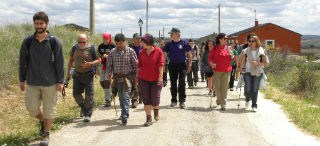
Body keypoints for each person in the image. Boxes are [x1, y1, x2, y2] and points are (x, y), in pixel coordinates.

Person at [19, 11, 64, 146]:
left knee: (50, 110)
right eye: (36, 23)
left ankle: (45, 135)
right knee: (31, 108)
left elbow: (59, 63)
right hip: (32, 81)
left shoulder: (54, 41)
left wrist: (60, 81)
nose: (38, 26)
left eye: (41, 23)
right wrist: (22, 79)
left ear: (46, 24)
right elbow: (23, 61)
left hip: (50, 82)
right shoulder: (28, 41)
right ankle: (43, 121)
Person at [66, 34, 100, 122]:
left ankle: (88, 114)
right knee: (76, 94)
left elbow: (99, 60)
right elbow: (70, 61)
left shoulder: (92, 48)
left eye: (83, 42)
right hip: (77, 75)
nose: (81, 43)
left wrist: (90, 64)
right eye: (79, 42)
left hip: (88, 74)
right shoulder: (74, 48)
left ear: (87, 41)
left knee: (89, 95)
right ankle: (84, 107)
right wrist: (68, 74)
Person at [107, 33, 138, 125]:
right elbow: (109, 64)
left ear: (124, 42)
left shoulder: (131, 51)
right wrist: (109, 73)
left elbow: (135, 65)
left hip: (127, 78)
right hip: (117, 79)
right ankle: (124, 113)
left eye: (120, 43)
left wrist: (136, 78)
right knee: (120, 97)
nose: (118, 45)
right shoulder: (112, 52)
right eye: (117, 43)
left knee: (126, 96)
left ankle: (124, 115)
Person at [137, 34, 164, 126]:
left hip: (155, 80)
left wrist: (160, 77)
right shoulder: (141, 52)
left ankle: (156, 111)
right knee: (146, 99)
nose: (141, 43)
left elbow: (161, 65)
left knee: (155, 99)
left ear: (147, 42)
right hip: (143, 79)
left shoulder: (158, 51)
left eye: (142, 42)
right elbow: (139, 66)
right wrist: (137, 78)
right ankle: (149, 118)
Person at [163, 27, 192, 109]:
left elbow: (189, 54)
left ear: (177, 34)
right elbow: (164, 54)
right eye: (171, 34)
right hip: (172, 65)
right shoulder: (169, 43)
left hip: (182, 65)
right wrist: (163, 65)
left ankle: (182, 100)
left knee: (182, 82)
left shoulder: (184, 42)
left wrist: (190, 64)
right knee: (173, 83)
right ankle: (174, 100)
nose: (171, 35)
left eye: (172, 33)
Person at [240, 33, 268, 112]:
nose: (251, 42)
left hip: (257, 72)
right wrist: (241, 68)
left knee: (255, 90)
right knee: (248, 89)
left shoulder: (261, 51)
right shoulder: (246, 50)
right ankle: (247, 99)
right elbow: (243, 61)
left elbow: (265, 63)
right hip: (247, 72)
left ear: (256, 41)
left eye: (253, 41)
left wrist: (258, 64)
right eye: (249, 41)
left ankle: (254, 105)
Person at [208, 33, 235, 110]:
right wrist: (212, 64)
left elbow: (233, 58)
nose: (226, 40)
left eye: (226, 39)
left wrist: (231, 55)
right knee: (217, 87)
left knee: (225, 87)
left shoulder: (228, 48)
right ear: (220, 39)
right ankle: (219, 99)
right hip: (217, 71)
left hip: (227, 70)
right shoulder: (215, 48)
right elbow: (209, 59)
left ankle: (223, 104)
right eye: (224, 38)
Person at [97, 33, 116, 107]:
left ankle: (108, 100)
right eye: (104, 39)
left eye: (107, 39)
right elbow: (98, 57)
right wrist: (97, 69)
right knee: (102, 82)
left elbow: (116, 56)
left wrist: (108, 56)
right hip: (102, 66)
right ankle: (110, 94)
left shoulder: (113, 46)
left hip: (110, 66)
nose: (105, 40)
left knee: (106, 82)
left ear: (109, 39)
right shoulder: (100, 46)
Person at [130, 33, 142, 108]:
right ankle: (134, 100)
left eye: (139, 39)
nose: (138, 40)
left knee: (141, 84)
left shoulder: (143, 47)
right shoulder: (130, 48)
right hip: (132, 69)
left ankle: (141, 96)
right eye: (136, 39)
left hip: (141, 69)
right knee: (134, 85)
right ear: (133, 39)